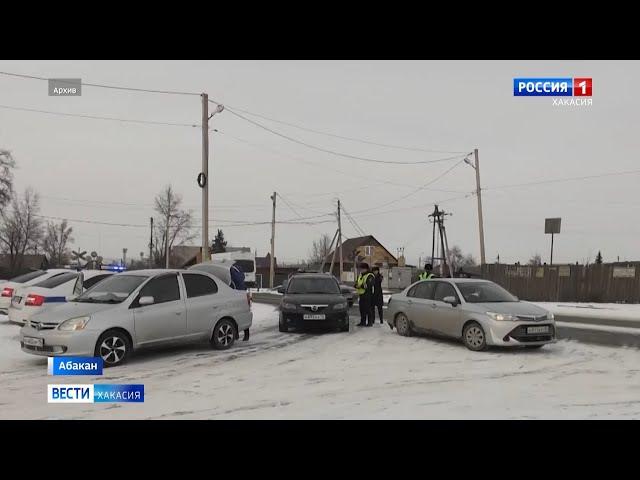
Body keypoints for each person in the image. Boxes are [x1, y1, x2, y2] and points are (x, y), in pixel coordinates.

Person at [355, 262, 375, 327]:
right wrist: (356, 285)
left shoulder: (370, 275)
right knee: (362, 309)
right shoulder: (360, 275)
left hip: (368, 294)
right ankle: (362, 322)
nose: (361, 270)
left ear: (366, 269)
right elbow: (356, 282)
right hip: (361, 295)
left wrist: (360, 286)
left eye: (362, 269)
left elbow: (369, 285)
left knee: (368, 309)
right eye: (360, 269)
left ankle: (370, 322)